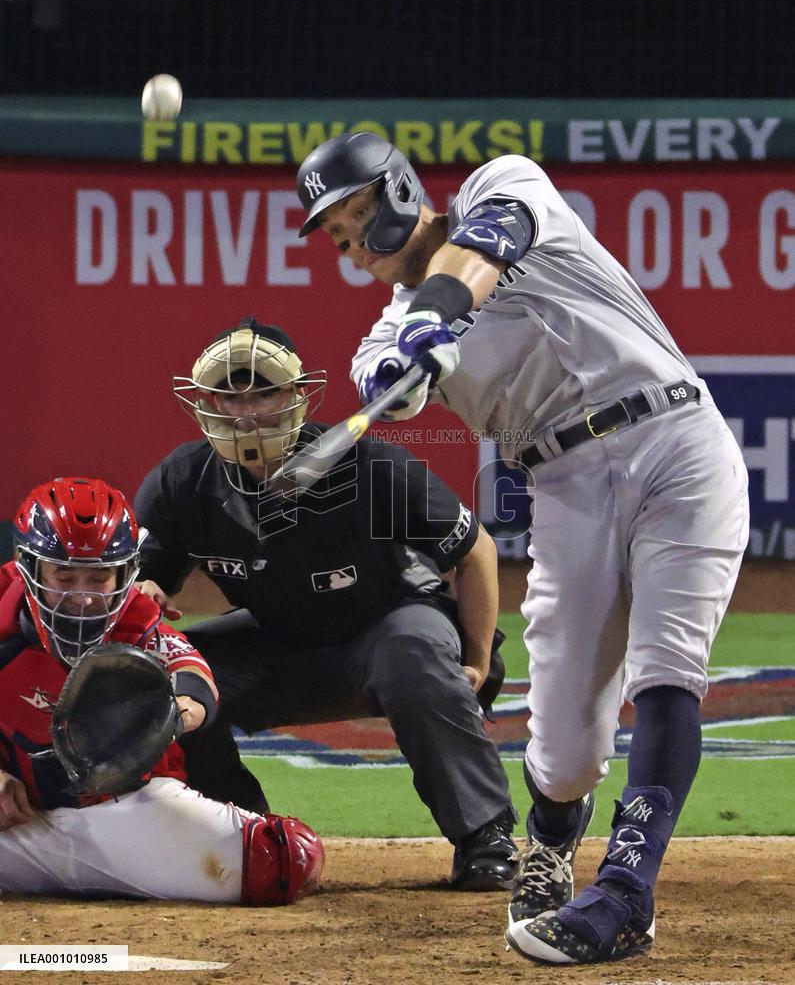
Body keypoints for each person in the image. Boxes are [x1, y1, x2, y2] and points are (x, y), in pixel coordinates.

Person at [295, 132, 750, 964]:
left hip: (677, 442)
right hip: (566, 485)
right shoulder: (385, 334)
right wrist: (402, 366)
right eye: (334, 235)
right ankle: (552, 831)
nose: (350, 245)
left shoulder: (499, 185)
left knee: (666, 669)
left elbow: (485, 246)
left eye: (353, 216)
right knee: (567, 750)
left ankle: (625, 893)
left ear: (398, 191)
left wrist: (434, 317)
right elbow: (383, 383)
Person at [134, 317, 518, 891]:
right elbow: (144, 579)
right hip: (276, 645)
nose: (246, 413)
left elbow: (477, 550)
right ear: (206, 403)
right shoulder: (184, 482)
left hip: (388, 627)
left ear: (296, 395)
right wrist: (143, 592)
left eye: (263, 393)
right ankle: (242, 834)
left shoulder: (369, 467)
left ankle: (485, 838)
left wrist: (480, 659)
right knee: (161, 675)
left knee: (411, 653)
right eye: (230, 397)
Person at [0, 476, 323, 905]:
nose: (83, 597)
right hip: (20, 822)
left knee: (285, 857)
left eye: (99, 577)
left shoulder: (138, 618)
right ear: (28, 567)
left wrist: (175, 714)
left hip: (126, 814)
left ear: (125, 574)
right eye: (64, 575)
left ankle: (68, 866)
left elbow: (193, 677)